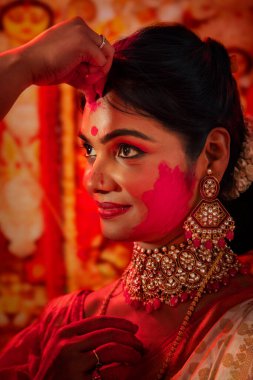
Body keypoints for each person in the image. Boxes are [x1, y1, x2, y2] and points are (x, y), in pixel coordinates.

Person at [0, 17, 253, 380]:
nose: (92, 179)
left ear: (211, 155)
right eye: (90, 149)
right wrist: (20, 64)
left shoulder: (241, 327)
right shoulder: (67, 323)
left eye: (127, 150)